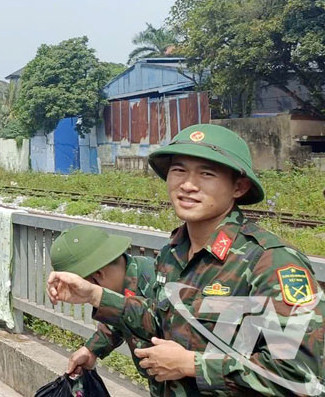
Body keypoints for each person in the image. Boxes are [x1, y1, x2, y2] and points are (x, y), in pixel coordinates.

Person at [47, 124, 324, 396]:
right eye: (178, 170)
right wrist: (95, 295)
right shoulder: (173, 253)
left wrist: (192, 365)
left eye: (206, 173)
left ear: (238, 187)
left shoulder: (270, 262)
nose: (188, 185)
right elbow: (158, 324)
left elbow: (301, 376)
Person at [50, 225, 160, 395]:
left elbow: (160, 322)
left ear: (98, 275)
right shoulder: (123, 287)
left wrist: (95, 296)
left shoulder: (157, 282)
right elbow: (120, 318)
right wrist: (91, 350)